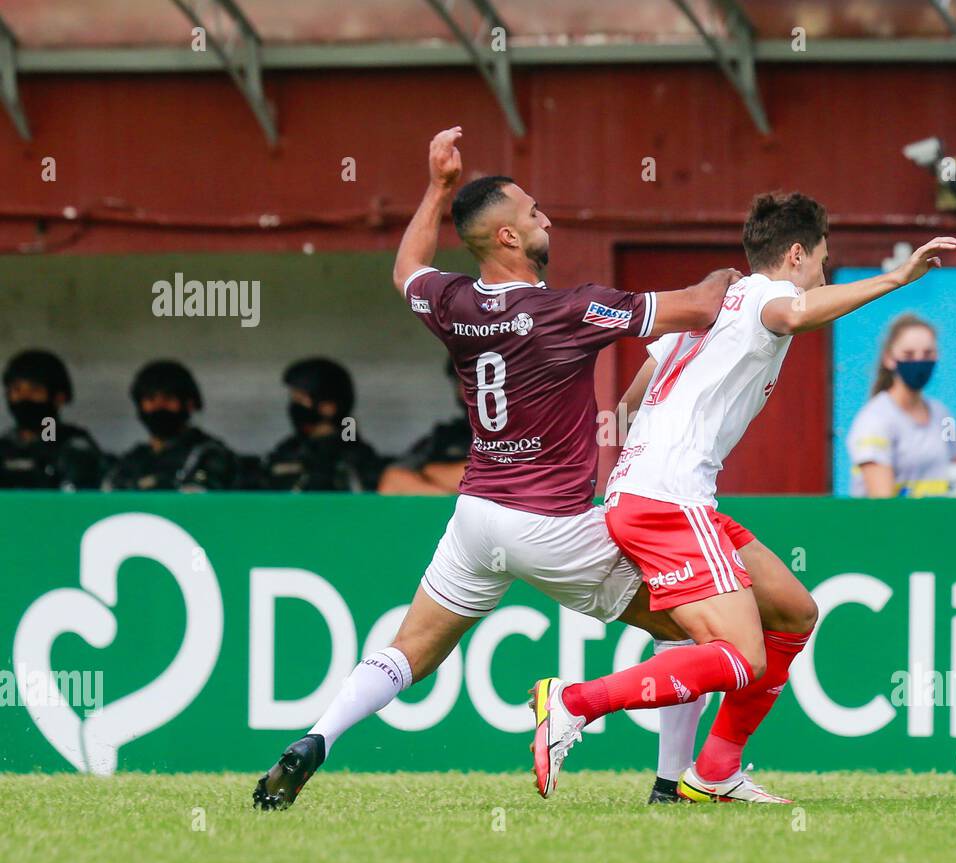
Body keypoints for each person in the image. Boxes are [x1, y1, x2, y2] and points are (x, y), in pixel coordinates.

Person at [252, 126, 737, 809]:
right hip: (555, 525)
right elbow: (704, 306)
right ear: (507, 237)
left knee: (409, 649)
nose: (547, 219)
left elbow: (405, 270)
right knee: (700, 629)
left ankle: (316, 738)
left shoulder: (451, 302)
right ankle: (670, 783)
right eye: (534, 212)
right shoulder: (570, 309)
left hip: (476, 518)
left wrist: (437, 187)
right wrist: (731, 276)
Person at [529, 192, 956, 802]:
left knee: (793, 611)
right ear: (794, 255)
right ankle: (573, 702)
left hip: (652, 494)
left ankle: (715, 772)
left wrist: (624, 468)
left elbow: (632, 397)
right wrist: (895, 277)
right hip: (667, 498)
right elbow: (794, 313)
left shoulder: (709, 304)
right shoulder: (762, 295)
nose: (821, 273)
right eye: (822, 260)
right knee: (737, 654)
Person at [846, 313, 956, 498]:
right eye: (908, 354)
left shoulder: (942, 416)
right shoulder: (875, 420)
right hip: (896, 525)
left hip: (939, 524)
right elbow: (881, 502)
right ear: (889, 358)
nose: (919, 361)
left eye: (927, 353)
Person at [103, 360, 238, 491]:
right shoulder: (133, 459)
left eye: (168, 399)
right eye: (151, 399)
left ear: (189, 404)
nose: (159, 407)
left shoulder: (209, 454)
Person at [263, 357, 385, 492]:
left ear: (328, 407)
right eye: (294, 399)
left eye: (300, 399)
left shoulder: (356, 457)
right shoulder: (290, 447)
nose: (294, 406)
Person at [0, 349, 104, 490]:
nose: (24, 398)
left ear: (59, 397)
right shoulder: (5, 446)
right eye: (17, 390)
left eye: (34, 391)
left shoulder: (73, 446)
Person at [378, 357, 470, 495]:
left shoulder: (513, 433)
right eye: (464, 378)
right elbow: (393, 482)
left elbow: (498, 479)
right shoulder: (445, 436)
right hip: (445, 514)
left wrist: (434, 472)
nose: (476, 386)